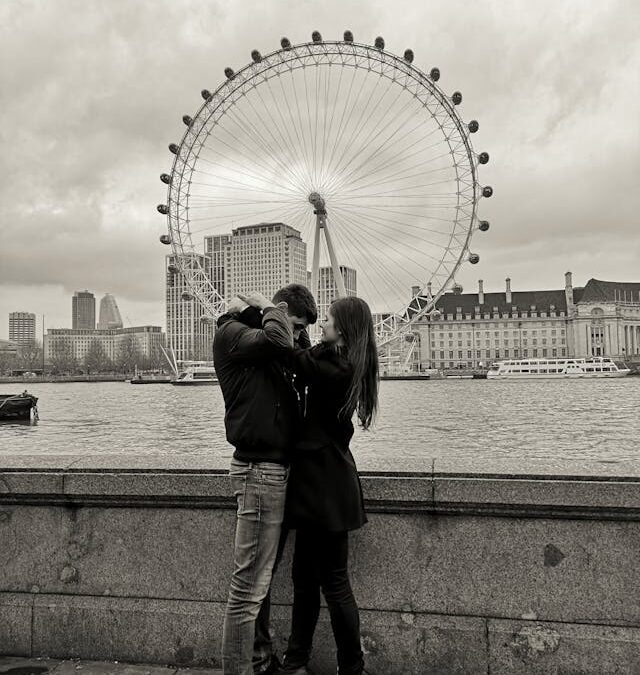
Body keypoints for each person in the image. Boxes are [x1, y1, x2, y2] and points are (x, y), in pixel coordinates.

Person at [239, 294, 378, 675]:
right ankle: (298, 660)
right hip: (324, 482)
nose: (323, 325)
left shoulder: (337, 369)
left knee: (333, 584)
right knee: (306, 578)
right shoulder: (344, 363)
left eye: (329, 320)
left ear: (345, 329)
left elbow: (290, 356)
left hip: (323, 485)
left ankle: (351, 666)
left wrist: (272, 311)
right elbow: (305, 356)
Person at [214, 284, 318, 675]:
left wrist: (285, 318)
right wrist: (272, 309)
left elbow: (300, 353)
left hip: (275, 470)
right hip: (258, 471)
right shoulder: (234, 335)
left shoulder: (264, 339)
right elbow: (279, 338)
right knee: (248, 588)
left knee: (261, 580)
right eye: (294, 322)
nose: (292, 332)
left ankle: (258, 660)